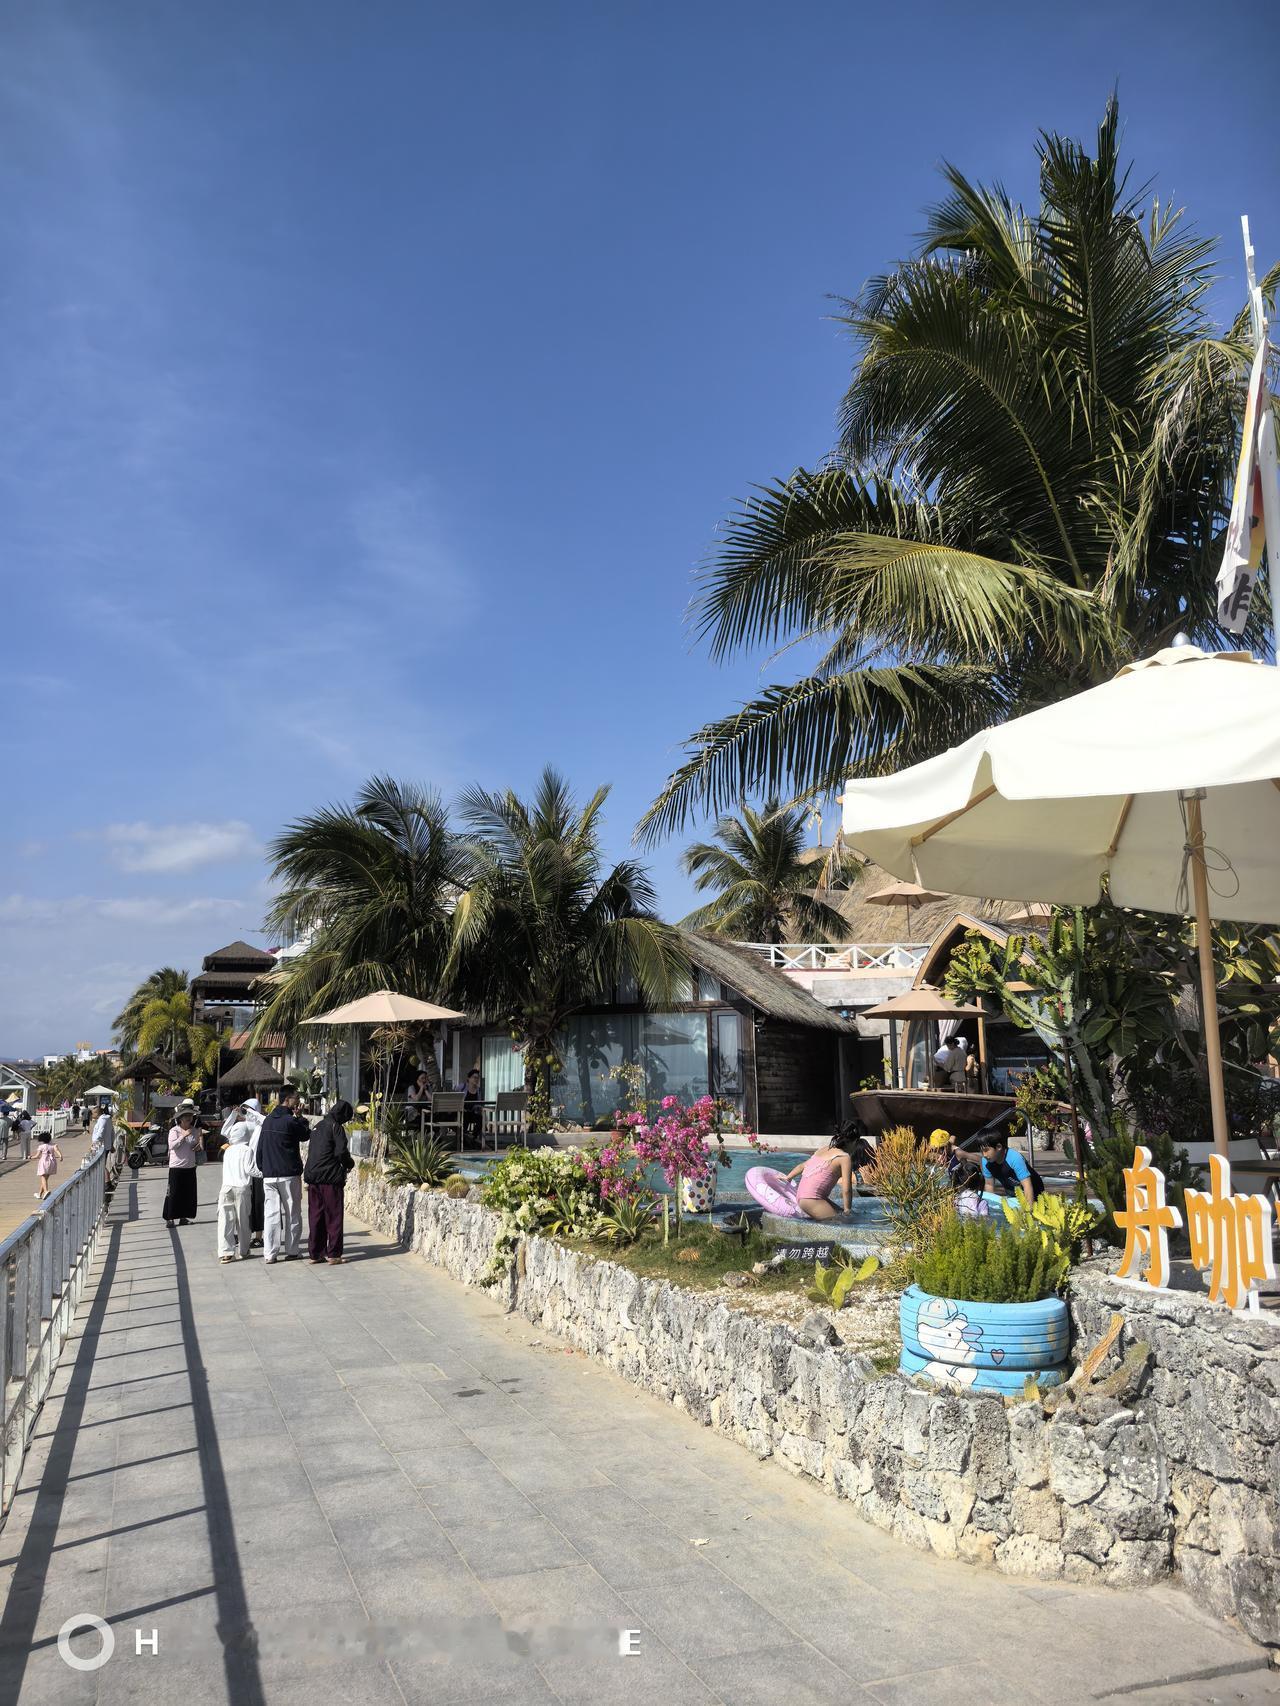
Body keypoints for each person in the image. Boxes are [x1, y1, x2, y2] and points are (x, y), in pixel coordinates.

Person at [257, 1087, 310, 1264]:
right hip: (288, 1174)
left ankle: (270, 1254)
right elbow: (305, 1135)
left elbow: (260, 1147)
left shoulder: (268, 1120)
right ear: (288, 1099)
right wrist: (300, 1117)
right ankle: (292, 1250)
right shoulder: (290, 1121)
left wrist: (263, 1168)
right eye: (297, 1098)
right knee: (292, 1213)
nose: (298, 1101)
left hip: (269, 1174)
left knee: (271, 1215)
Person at [304, 1098, 354, 1264]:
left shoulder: (318, 1126)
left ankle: (315, 1253)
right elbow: (341, 1152)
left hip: (313, 1178)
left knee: (316, 1216)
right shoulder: (336, 1127)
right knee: (333, 1216)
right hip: (330, 1179)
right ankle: (333, 1254)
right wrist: (349, 1164)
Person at [781, 1131, 865, 1221]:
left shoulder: (823, 1149)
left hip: (802, 1196)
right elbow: (847, 1190)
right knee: (843, 1222)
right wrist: (847, 1210)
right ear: (853, 1142)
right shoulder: (844, 1157)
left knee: (840, 1213)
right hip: (812, 1199)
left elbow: (802, 1166)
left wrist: (788, 1177)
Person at [217, 1102, 259, 1263]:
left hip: (226, 1188)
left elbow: (225, 1130)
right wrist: (263, 1174)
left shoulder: (228, 1150)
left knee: (225, 1222)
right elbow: (250, 1170)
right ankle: (243, 1250)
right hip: (242, 1189)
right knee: (243, 1222)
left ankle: (226, 1253)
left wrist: (233, 1115)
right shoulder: (247, 1150)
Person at [979, 1131, 1042, 1207]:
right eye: (981, 1151)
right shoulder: (986, 1161)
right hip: (1012, 1192)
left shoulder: (1014, 1158)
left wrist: (1029, 1210)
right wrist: (990, 1207)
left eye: (986, 1150)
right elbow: (989, 1185)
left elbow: (1027, 1185)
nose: (984, 1155)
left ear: (999, 1147)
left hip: (1034, 1192)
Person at [162, 1109, 200, 1226]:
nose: (188, 1118)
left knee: (187, 1193)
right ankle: (170, 1218)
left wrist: (197, 1146)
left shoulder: (194, 1130)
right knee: (173, 1193)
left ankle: (183, 1217)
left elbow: (195, 1144)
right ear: (180, 1119)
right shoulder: (174, 1131)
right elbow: (172, 1145)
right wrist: (182, 1136)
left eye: (190, 1116)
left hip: (190, 1166)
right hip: (177, 1167)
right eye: (185, 1116)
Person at [34, 1133, 63, 1200]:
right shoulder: (53, 1145)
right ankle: (39, 1194)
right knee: (45, 1178)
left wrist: (30, 1157)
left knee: (43, 1177)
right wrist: (60, 1156)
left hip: (44, 1162)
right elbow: (57, 1150)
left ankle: (46, 1191)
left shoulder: (41, 1146)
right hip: (52, 1162)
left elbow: (37, 1156)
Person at [462, 1067, 484, 1142]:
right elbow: (454, 1097)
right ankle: (463, 1140)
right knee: (465, 1118)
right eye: (474, 1077)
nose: (476, 1079)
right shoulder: (462, 1087)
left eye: (477, 1078)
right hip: (462, 1112)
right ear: (469, 1078)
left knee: (481, 1119)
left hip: (472, 1112)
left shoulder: (478, 1090)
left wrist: (480, 1110)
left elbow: (479, 1103)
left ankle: (473, 1138)